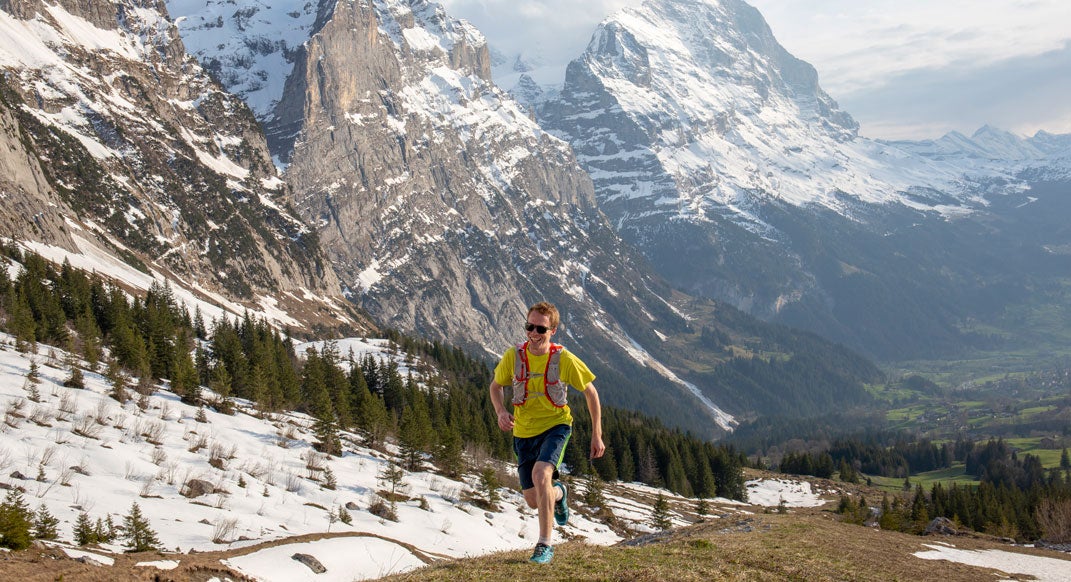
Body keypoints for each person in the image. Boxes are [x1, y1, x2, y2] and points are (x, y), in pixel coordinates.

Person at [489, 301, 605, 564]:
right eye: (529, 326)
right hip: (523, 432)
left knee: (541, 474)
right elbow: (495, 386)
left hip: (556, 426)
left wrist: (596, 434)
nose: (533, 333)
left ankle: (544, 544)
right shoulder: (513, 356)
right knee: (533, 500)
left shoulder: (563, 359)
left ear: (553, 331)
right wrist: (500, 412)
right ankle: (559, 493)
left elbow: (591, 393)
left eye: (540, 329)